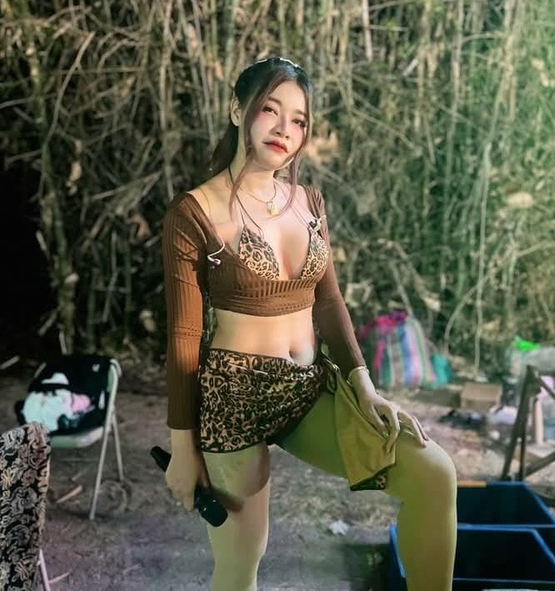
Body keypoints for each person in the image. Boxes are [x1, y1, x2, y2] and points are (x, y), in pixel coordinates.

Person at [161, 57, 457, 591]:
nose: (284, 129)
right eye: (270, 110)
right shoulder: (195, 212)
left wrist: (364, 385)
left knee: (435, 473)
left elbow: (329, 301)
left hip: (308, 386)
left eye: (298, 120)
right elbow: (183, 338)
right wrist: (183, 448)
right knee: (241, 563)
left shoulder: (308, 203)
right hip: (234, 396)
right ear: (237, 110)